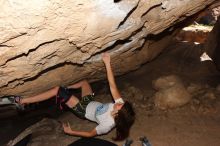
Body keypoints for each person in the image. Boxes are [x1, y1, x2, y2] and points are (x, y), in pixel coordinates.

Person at [14, 52, 135, 141]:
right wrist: (107, 63)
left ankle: (23, 101)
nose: (118, 102)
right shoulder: (119, 105)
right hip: (90, 101)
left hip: (82, 109)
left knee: (57, 90)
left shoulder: (106, 125)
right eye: (121, 103)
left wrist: (71, 132)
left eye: (119, 105)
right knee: (84, 82)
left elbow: (90, 134)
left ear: (118, 114)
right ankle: (66, 90)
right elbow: (112, 85)